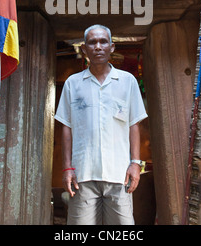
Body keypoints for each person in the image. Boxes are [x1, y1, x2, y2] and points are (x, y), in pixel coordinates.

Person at [54, 24, 148, 225]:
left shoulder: (127, 81)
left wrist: (135, 163)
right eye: (92, 42)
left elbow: (134, 125)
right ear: (84, 49)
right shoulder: (73, 83)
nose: (98, 46)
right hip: (83, 175)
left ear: (112, 47)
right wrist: (67, 168)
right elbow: (67, 128)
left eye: (103, 41)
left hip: (119, 174)